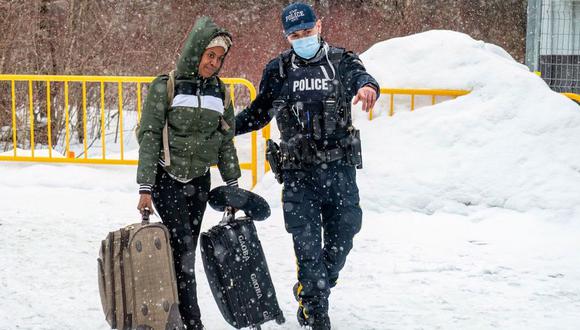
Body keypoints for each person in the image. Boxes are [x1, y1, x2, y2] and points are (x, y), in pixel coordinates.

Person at [234, 3, 379, 329]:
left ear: (320, 26)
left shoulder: (341, 60)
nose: (302, 38)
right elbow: (259, 113)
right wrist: (225, 127)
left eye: (307, 32)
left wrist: (368, 88)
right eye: (295, 35)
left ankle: (313, 288)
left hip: (340, 171)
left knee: (345, 235)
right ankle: (315, 312)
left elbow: (362, 78)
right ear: (287, 36)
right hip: (299, 176)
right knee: (308, 251)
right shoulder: (279, 70)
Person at [136, 16, 240, 330]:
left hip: (199, 182)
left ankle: (174, 313)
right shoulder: (166, 85)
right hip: (168, 179)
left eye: (219, 58)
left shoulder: (221, 93)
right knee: (182, 246)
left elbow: (225, 141)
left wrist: (233, 185)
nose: (214, 62)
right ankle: (192, 321)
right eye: (210, 55)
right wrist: (145, 188)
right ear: (196, 52)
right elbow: (150, 136)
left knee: (186, 250)